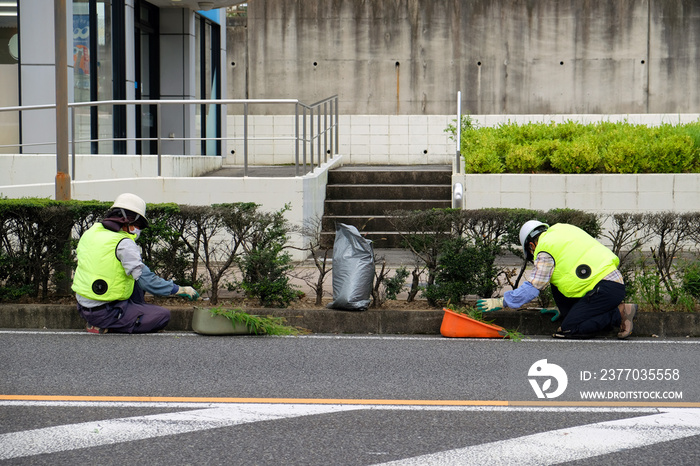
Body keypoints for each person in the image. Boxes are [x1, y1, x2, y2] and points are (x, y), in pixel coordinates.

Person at [476, 221, 637, 339]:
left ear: (531, 245)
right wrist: (563, 308)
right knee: (554, 280)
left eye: (531, 254)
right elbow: (568, 269)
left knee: (568, 329)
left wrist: (502, 302)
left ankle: (620, 313)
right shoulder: (562, 229)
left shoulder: (545, 249)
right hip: (607, 284)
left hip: (604, 289)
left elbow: (534, 287)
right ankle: (571, 311)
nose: (534, 257)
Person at [72, 193, 199, 334]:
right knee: (162, 316)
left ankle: (126, 315)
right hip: (106, 311)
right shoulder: (124, 243)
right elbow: (148, 281)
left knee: (135, 280)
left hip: (84, 306)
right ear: (128, 221)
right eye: (138, 225)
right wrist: (180, 289)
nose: (138, 230)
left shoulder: (91, 233)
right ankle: (109, 325)